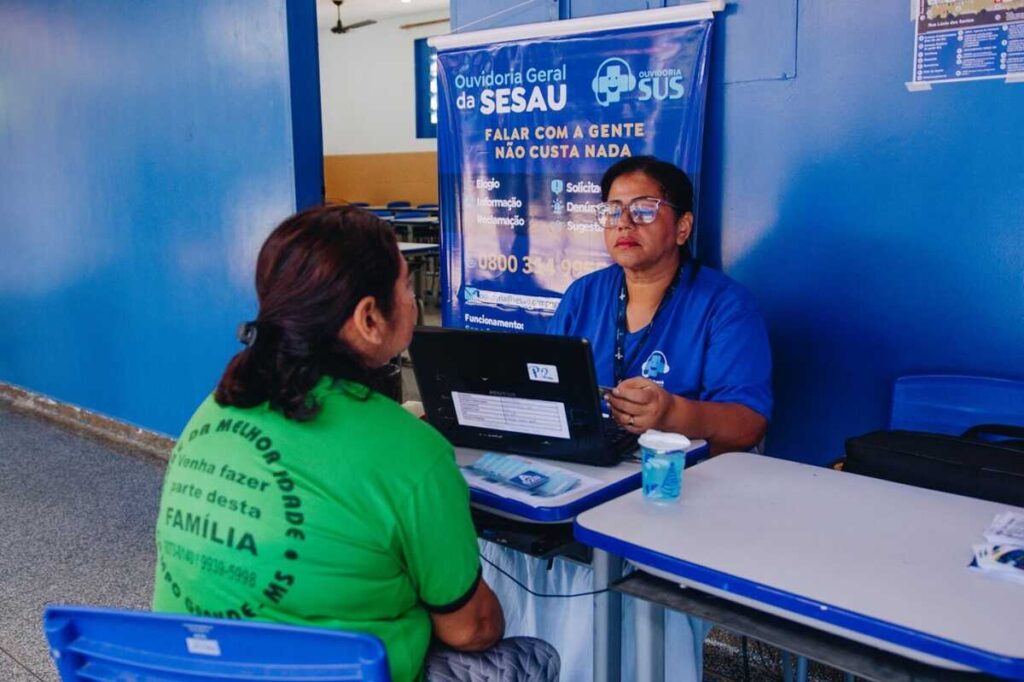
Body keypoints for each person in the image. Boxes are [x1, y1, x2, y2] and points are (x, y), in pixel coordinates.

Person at [152, 205, 558, 682]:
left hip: (192, 669)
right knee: (533, 658)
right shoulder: (412, 453)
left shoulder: (216, 407)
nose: (412, 298)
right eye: (407, 286)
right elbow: (473, 631)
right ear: (369, 317)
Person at [548, 155, 772, 453]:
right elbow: (546, 385)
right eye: (613, 211)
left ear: (683, 227)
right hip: (589, 463)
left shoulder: (726, 306)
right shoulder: (583, 294)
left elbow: (749, 424)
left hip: (680, 477)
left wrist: (671, 414)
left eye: (643, 210)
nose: (624, 224)